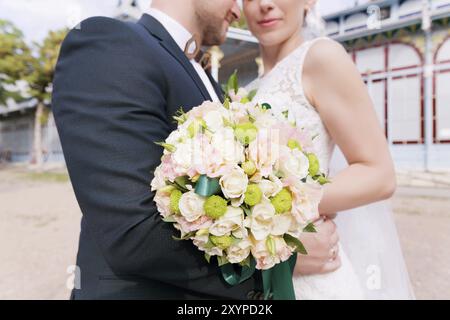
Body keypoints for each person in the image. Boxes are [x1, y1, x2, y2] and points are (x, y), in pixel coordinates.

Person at [51, 0, 339, 300]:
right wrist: (280, 261)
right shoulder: (110, 45)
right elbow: (133, 233)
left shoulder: (211, 82)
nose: (239, 11)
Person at [242, 0, 415, 299]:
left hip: (315, 276)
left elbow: (378, 174)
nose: (265, 5)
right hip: (268, 270)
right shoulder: (246, 90)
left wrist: (275, 207)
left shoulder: (321, 57)